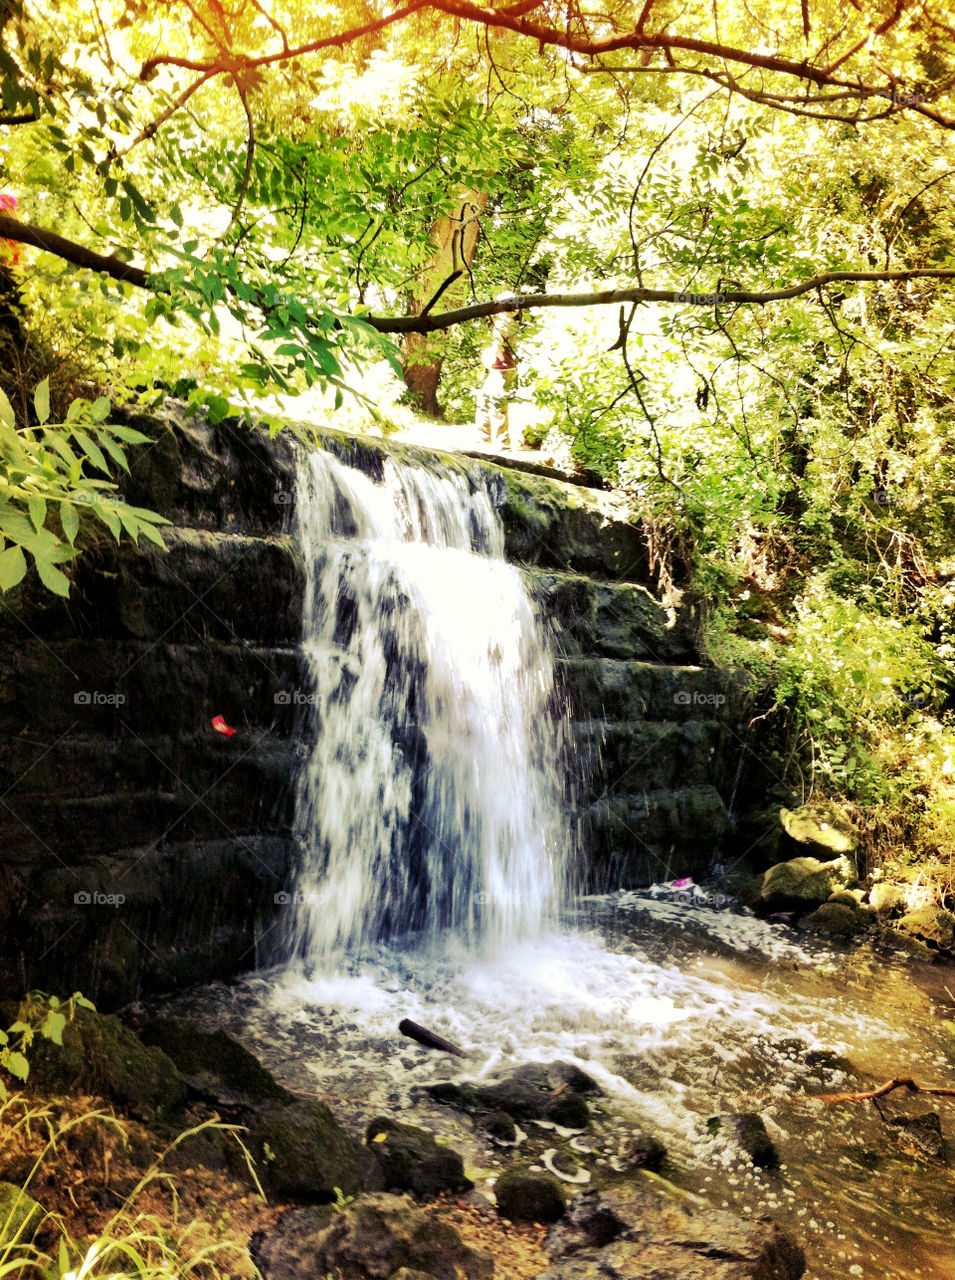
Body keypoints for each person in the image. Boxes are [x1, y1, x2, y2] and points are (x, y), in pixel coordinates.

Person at [475, 312, 517, 448]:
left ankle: (502, 443)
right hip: (504, 368)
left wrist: (489, 359)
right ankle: (484, 438)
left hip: (502, 369)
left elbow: (497, 345)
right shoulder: (510, 322)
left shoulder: (503, 323)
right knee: (484, 398)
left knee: (497, 402)